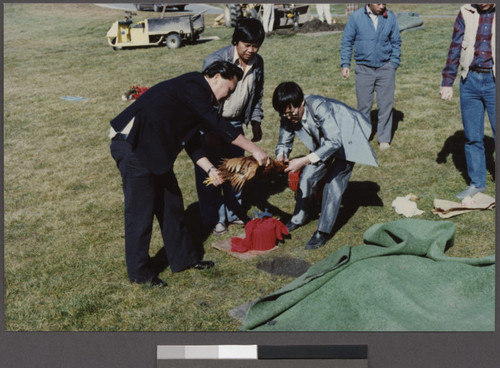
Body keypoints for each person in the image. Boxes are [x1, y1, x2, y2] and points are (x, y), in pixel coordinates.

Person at [109, 61, 270, 287]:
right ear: (216, 77)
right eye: (229, 90)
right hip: (133, 145)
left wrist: (210, 169)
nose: (228, 97)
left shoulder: (196, 98)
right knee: (140, 212)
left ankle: (184, 259)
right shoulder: (194, 86)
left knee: (171, 204)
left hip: (153, 150)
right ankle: (139, 274)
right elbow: (218, 126)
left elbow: (192, 141)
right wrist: (255, 150)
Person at [273, 82, 378, 250]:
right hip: (326, 140)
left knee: (333, 183)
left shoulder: (320, 107)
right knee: (307, 176)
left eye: (292, 113)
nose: (290, 117)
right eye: (285, 114)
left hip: (346, 136)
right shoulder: (288, 113)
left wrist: (303, 160)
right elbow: (284, 142)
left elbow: (335, 142)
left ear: (302, 103)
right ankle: (299, 217)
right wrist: (281, 155)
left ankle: (323, 230)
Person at [195, 18, 266, 235]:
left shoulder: (258, 62)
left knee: (236, 171)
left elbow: (257, 94)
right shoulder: (216, 60)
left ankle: (233, 213)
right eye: (247, 45)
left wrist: (255, 120)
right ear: (236, 41)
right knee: (212, 173)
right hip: (214, 123)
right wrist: (208, 130)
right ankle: (215, 218)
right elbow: (203, 100)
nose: (251, 50)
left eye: (256, 46)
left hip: (236, 123)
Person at [440, 3, 495, 200]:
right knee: (473, 137)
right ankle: (477, 183)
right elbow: (455, 47)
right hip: (469, 80)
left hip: (494, 81)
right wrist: (447, 82)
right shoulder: (465, 12)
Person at [340, 3, 401, 151]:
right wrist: (345, 64)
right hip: (363, 69)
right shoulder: (356, 17)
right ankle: (363, 137)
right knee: (363, 106)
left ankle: (384, 138)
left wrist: (393, 63)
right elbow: (347, 42)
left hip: (385, 68)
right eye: (378, 3)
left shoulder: (390, 17)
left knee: (385, 105)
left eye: (384, 3)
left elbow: (396, 42)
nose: (381, 6)